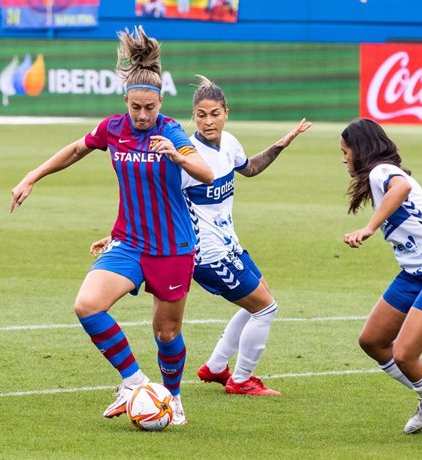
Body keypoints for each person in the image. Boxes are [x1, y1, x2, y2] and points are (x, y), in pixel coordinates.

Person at [10, 26, 213, 426]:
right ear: (126, 101)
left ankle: (172, 399)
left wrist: (178, 155)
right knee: (87, 305)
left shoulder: (170, 131)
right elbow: (75, 149)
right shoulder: (113, 129)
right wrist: (32, 175)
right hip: (129, 242)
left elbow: (204, 172)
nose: (142, 115)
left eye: (149, 108)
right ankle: (135, 382)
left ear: (160, 103)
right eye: (135, 107)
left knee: (166, 333)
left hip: (172, 248)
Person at [92, 76, 311, 396]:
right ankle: (240, 380)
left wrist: (281, 144)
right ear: (193, 116)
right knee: (265, 308)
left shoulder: (230, 143)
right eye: (201, 115)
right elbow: (155, 200)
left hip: (229, 242)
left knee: (260, 300)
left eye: (215, 113)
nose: (209, 121)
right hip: (204, 252)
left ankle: (216, 367)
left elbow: (248, 168)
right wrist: (115, 237)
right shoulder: (186, 155)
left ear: (226, 113)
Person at [340, 118, 422, 442]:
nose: (343, 159)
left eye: (345, 152)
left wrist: (369, 228)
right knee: (372, 341)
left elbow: (402, 187)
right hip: (415, 271)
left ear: (360, 150)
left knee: (404, 354)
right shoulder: (378, 174)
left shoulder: (382, 172)